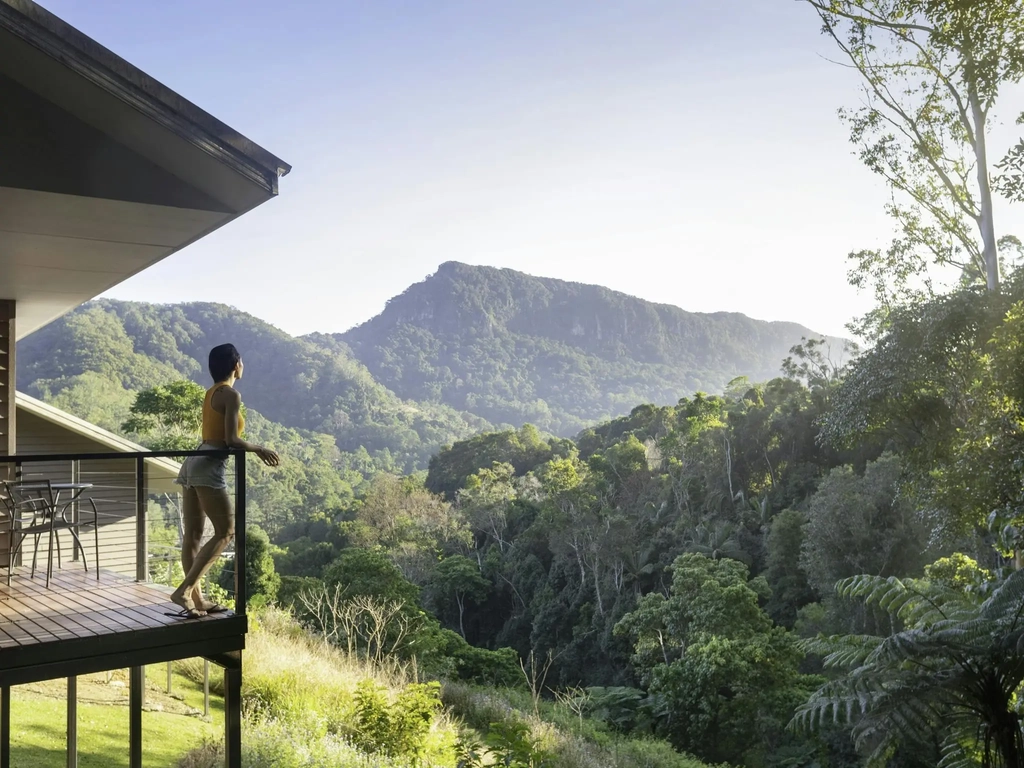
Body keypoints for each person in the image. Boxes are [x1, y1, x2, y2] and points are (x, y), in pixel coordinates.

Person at [170, 343, 279, 618]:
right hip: (208, 466)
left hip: (194, 460)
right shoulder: (231, 395)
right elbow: (231, 440)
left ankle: (195, 600)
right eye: (241, 361)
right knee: (226, 531)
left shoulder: (211, 393)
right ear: (236, 365)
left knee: (193, 535)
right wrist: (259, 449)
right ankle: (184, 591)